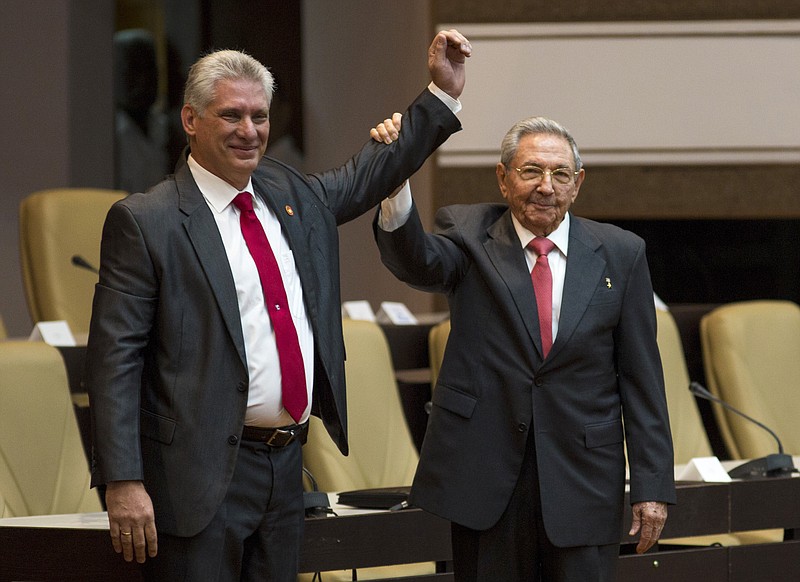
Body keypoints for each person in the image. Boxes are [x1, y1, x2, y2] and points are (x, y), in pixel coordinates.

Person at [85, 29, 471, 581]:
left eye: (260, 117)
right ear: (190, 121)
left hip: (285, 466)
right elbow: (114, 360)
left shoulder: (286, 194)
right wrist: (123, 481)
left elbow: (365, 176)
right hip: (197, 477)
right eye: (231, 116)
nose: (250, 132)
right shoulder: (148, 221)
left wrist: (439, 94)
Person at [372, 115, 676, 581]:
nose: (545, 186)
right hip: (487, 477)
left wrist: (652, 486)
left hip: (583, 477)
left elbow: (641, 379)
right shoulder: (470, 231)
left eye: (559, 174)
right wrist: (395, 182)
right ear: (503, 177)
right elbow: (419, 261)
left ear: (578, 183)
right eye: (531, 170)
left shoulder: (621, 252)